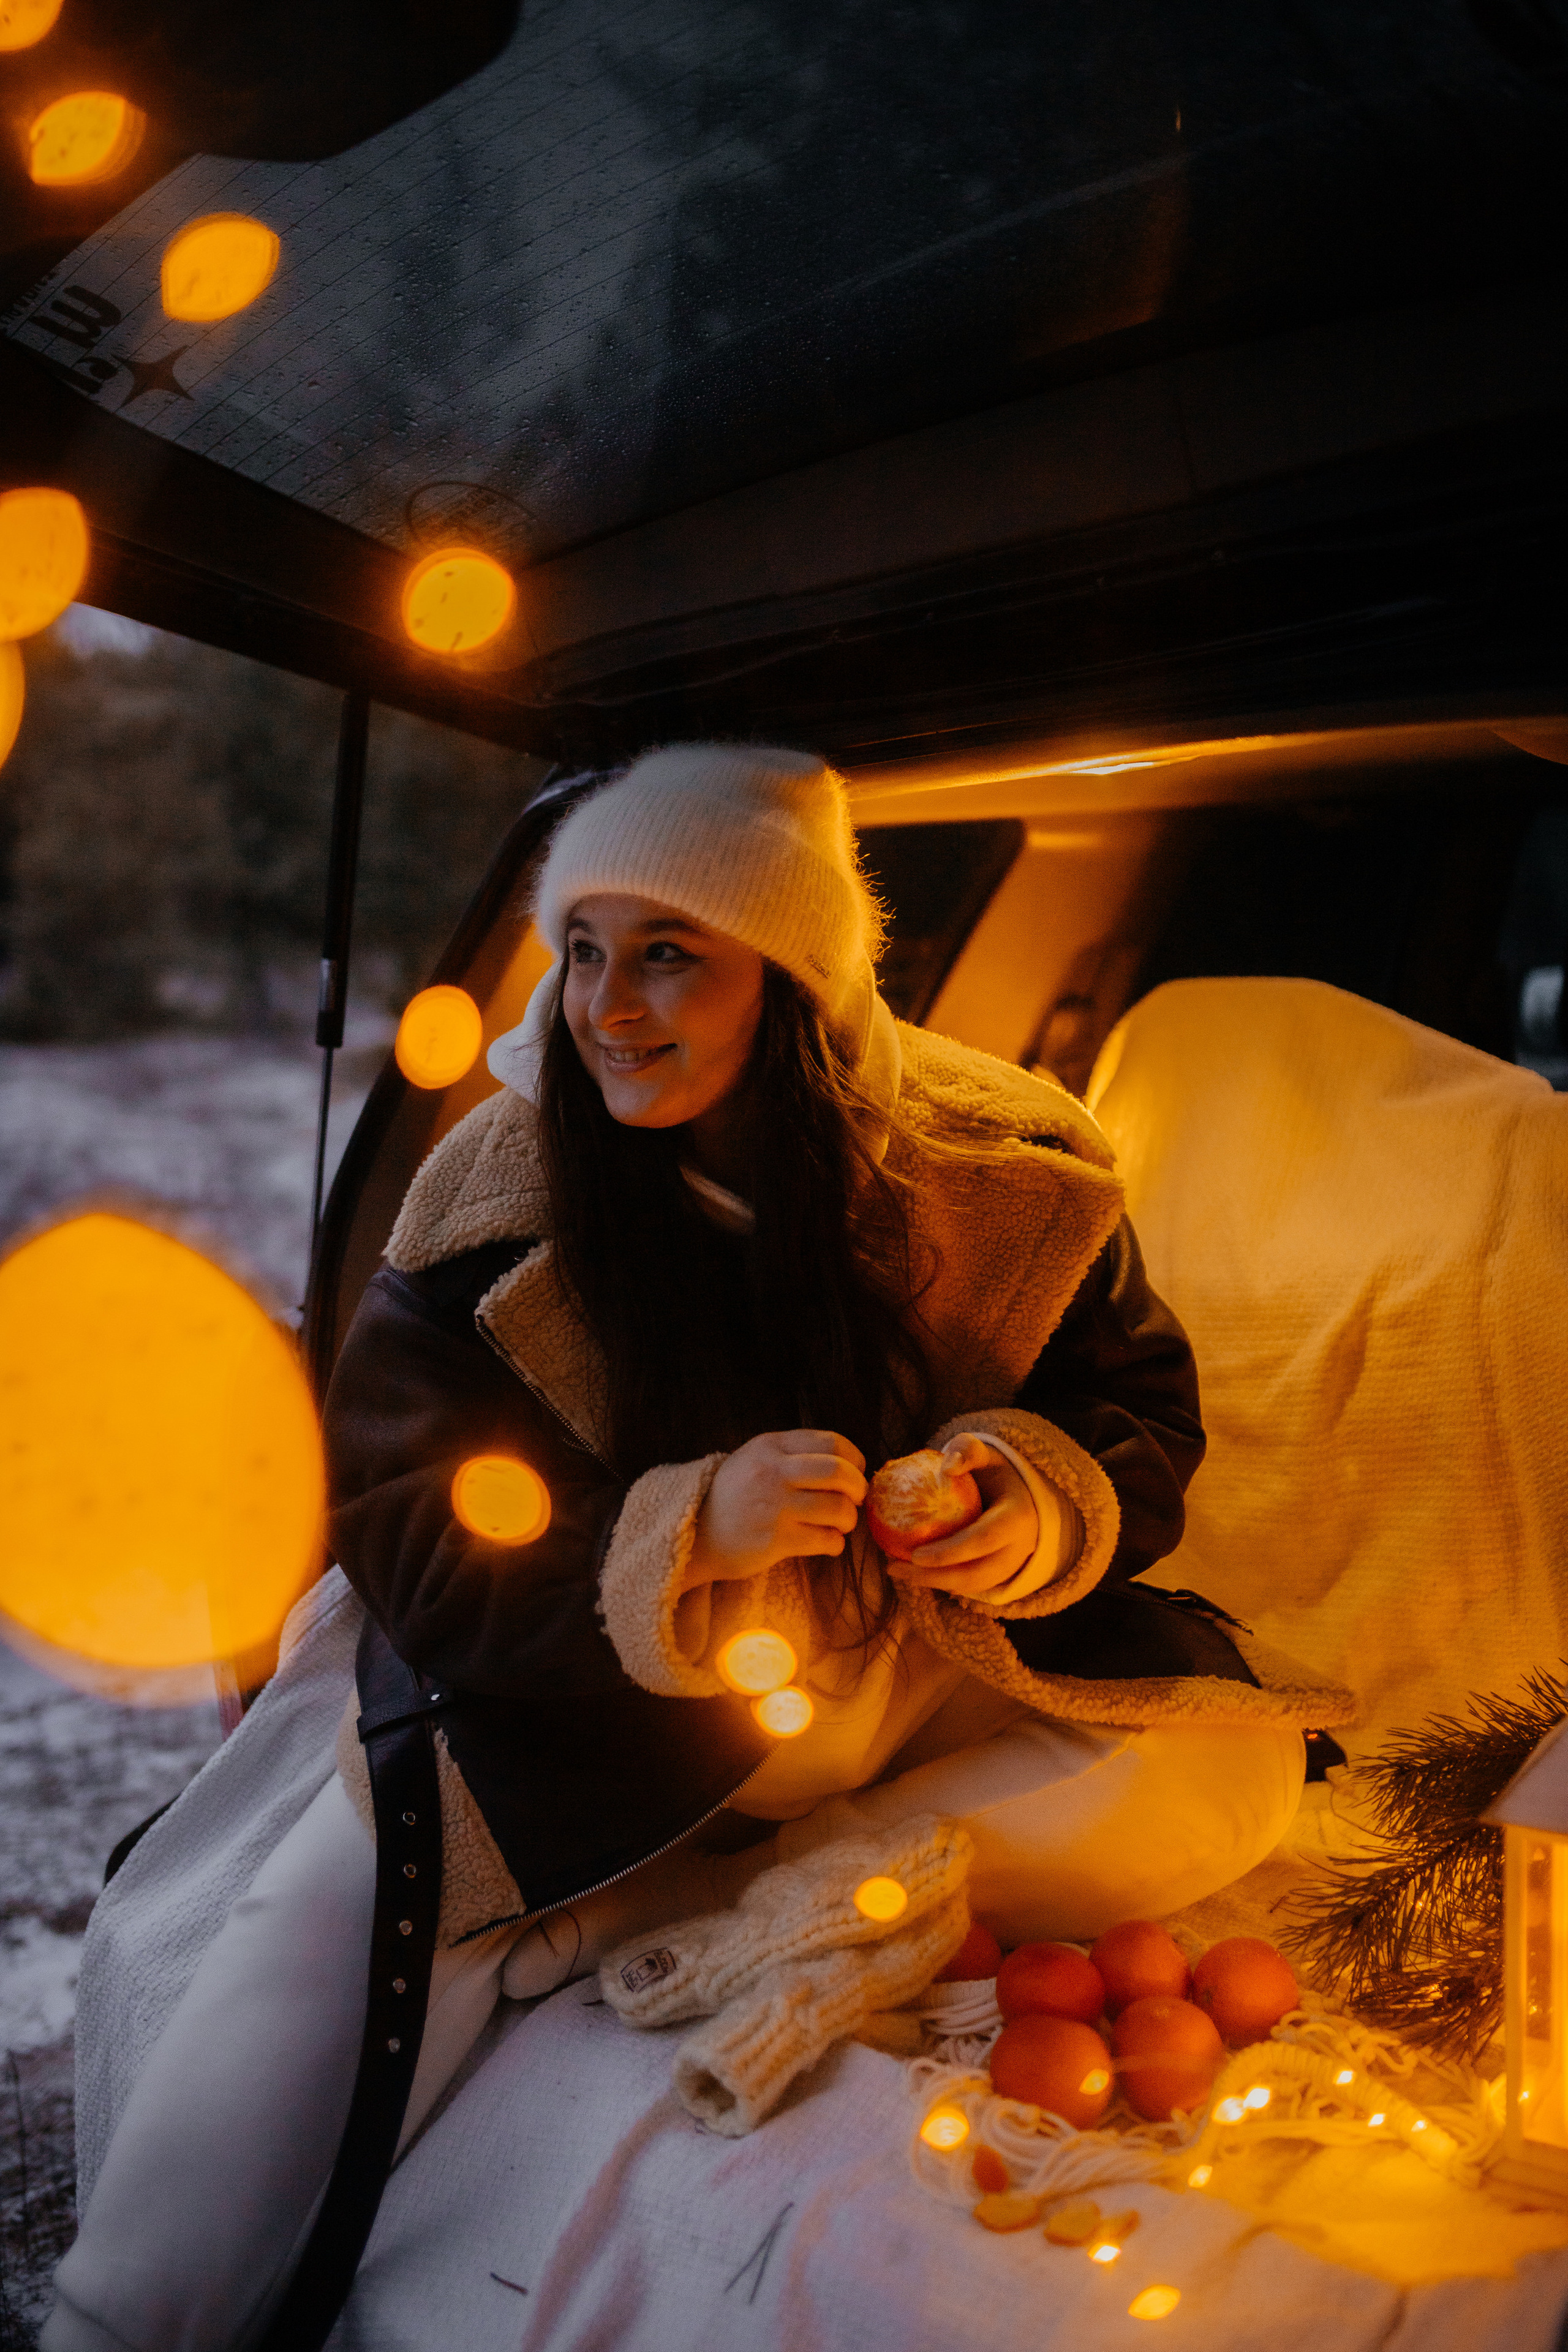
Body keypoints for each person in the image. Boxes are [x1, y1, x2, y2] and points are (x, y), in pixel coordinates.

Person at [45, 744, 1333, 2352]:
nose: (608, 1005)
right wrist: (684, 1532)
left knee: (1237, 1772)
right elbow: (403, 1527)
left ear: (792, 980)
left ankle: (775, 1901)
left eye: (669, 953)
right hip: (598, 1704)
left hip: (909, 1677)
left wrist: (1020, 1492)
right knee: (351, 1892)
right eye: (584, 947)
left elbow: (1136, 1415)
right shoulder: (498, 1199)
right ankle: (121, 2322)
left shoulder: (1012, 1172)